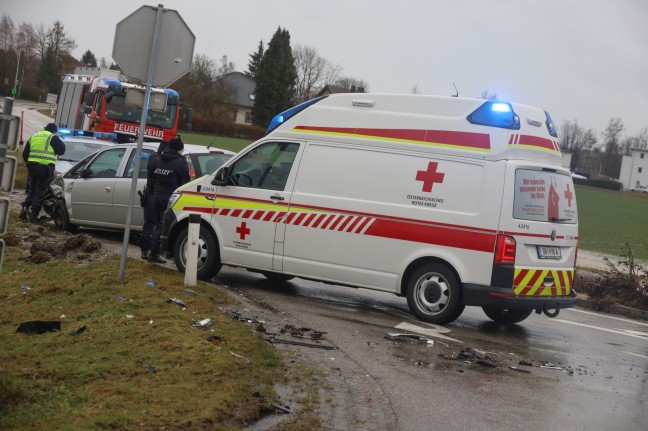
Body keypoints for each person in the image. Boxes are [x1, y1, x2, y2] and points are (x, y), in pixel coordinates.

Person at [146, 137, 190, 263]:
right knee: (167, 226)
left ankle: (153, 252)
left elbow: (153, 176)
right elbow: (185, 182)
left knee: (158, 224)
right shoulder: (180, 162)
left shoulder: (159, 159)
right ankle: (155, 253)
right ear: (178, 149)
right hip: (170, 197)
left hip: (157, 195)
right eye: (181, 149)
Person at [20, 123, 66, 223]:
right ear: (54, 131)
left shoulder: (34, 136)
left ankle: (24, 209)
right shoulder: (52, 137)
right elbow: (61, 150)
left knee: (32, 189)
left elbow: (24, 154)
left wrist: (29, 164)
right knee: (40, 191)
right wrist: (58, 138)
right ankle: (34, 214)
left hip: (32, 167)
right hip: (45, 169)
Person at [139, 140, 168, 260]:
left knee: (149, 224)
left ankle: (145, 251)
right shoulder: (158, 161)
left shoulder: (152, 158)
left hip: (150, 194)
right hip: (154, 195)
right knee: (154, 224)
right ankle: (149, 252)